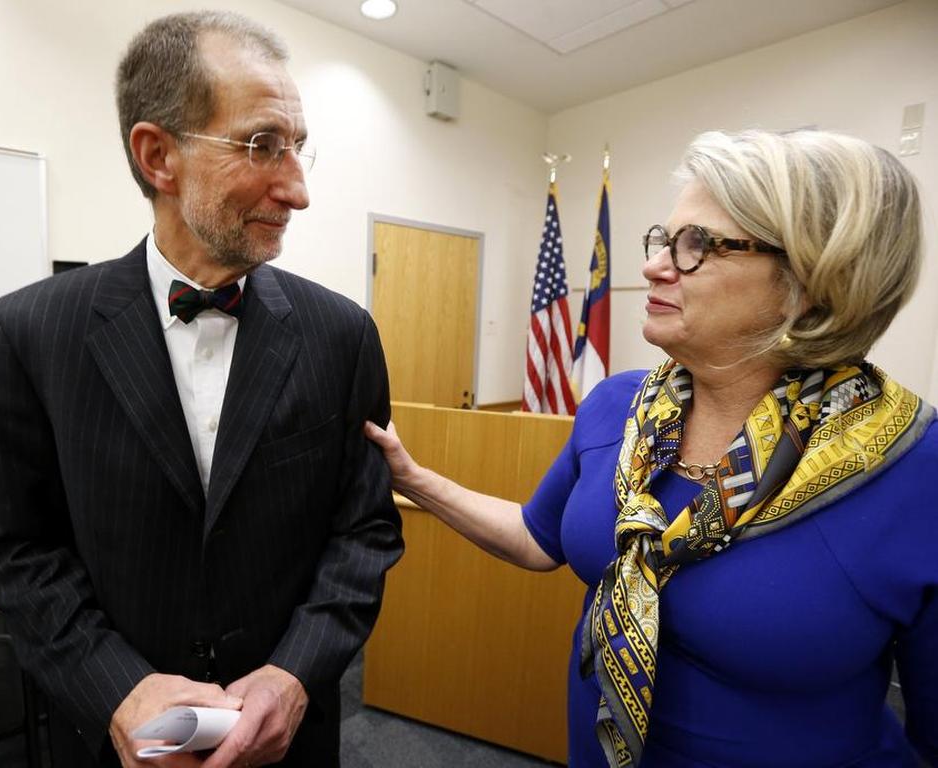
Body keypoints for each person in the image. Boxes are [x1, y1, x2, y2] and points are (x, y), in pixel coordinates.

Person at [367, 129, 937, 767]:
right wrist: (414, 480)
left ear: (811, 281)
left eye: (698, 245)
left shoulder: (916, 470)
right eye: (664, 239)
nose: (653, 265)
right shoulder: (618, 405)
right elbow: (536, 538)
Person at [0, 10, 402, 768]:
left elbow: (362, 535)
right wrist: (119, 692)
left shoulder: (343, 334)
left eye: (299, 149)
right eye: (263, 144)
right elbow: (16, 547)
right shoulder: (28, 332)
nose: (298, 190)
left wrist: (296, 675)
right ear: (158, 155)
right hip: (106, 740)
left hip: (287, 744)